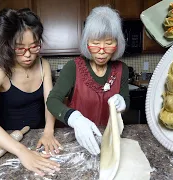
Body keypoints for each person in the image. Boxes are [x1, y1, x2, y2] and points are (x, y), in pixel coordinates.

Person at [0, 8, 61, 176]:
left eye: (34, 47)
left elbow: (50, 100)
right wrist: (22, 152)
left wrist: (48, 131)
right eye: (20, 49)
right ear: (8, 46)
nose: (28, 55)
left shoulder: (44, 65)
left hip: (37, 137)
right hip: (7, 142)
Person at [47, 6, 130, 155]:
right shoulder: (73, 67)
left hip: (109, 141)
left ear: (118, 43)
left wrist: (123, 103)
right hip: (78, 142)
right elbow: (52, 100)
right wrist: (75, 119)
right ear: (87, 42)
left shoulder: (122, 69)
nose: (102, 50)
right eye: (96, 43)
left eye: (109, 43)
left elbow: (126, 99)